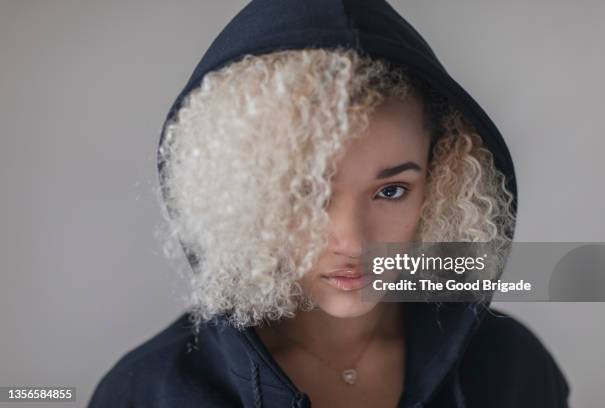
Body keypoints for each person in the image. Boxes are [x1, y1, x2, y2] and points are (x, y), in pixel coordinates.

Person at [88, 1, 570, 407]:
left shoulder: (512, 369)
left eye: (391, 190)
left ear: (442, 180)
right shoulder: (147, 392)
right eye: (307, 193)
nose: (352, 240)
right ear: (242, 193)